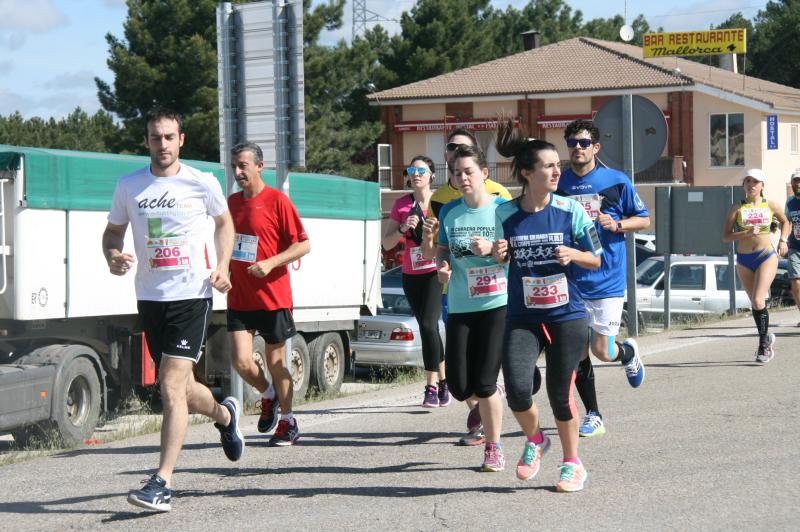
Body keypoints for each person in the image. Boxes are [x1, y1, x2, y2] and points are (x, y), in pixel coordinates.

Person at [103, 107, 241, 512]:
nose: (162, 144)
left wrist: (222, 266)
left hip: (191, 295)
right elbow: (112, 232)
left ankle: (161, 481)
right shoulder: (129, 186)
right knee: (182, 388)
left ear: (181, 139)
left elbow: (225, 224)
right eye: (155, 137)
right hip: (149, 296)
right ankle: (225, 415)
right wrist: (112, 255)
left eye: (169, 137)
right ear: (145, 141)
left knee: (168, 387)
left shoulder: (201, 182)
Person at [493, 118, 602, 493]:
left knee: (559, 393)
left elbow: (597, 258)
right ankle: (536, 439)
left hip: (566, 315)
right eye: (550, 165)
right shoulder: (505, 214)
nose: (559, 170)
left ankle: (573, 463)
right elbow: (499, 258)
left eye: (559, 164)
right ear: (527, 173)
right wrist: (497, 253)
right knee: (519, 389)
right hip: (523, 316)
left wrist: (575, 253)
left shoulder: (571, 211)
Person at [556, 119, 649, 438]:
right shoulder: (560, 183)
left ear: (595, 147)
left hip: (607, 278)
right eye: (571, 142)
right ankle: (594, 413)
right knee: (577, 351)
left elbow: (644, 219)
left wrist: (618, 225)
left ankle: (627, 353)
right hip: (571, 279)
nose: (577, 148)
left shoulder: (616, 180)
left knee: (602, 351)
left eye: (583, 143)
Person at [421, 144, 508, 472]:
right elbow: (440, 252)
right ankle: (492, 393)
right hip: (460, 303)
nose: (463, 178)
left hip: (497, 302)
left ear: (484, 173)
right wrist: (442, 267)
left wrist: (494, 250)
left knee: (483, 383)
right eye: (457, 173)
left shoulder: (503, 209)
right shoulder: (449, 212)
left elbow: (513, 252)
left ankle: (493, 446)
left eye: (469, 171)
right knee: (459, 386)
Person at [226, 142, 310, 446]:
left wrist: (270, 263)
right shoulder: (232, 203)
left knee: (276, 363)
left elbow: (303, 245)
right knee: (240, 360)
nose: (237, 172)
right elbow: (224, 242)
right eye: (234, 166)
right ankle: (268, 394)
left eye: (243, 166)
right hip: (239, 296)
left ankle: (288, 422)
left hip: (272, 296)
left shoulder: (277, 201)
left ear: (260, 166)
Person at [382, 156, 448, 407]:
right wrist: (401, 230)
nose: (416, 174)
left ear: (432, 175)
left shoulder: (441, 202)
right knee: (426, 328)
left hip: (434, 271)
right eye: (412, 170)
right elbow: (386, 243)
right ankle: (444, 382)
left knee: (430, 326)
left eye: (422, 170)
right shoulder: (401, 204)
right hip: (411, 275)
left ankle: (430, 387)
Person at [722, 168, 790, 362]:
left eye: (755, 182)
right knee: (755, 303)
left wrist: (783, 240)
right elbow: (725, 236)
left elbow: (785, 222)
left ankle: (763, 345)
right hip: (744, 260)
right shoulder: (737, 207)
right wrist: (746, 233)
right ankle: (766, 335)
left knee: (759, 301)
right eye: (748, 181)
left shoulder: (770, 205)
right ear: (743, 185)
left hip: (766, 256)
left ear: (762, 186)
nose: (751, 185)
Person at [785, 172, 800, 326]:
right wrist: (782, 240)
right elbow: (786, 222)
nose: (798, 184)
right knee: (795, 283)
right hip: (795, 246)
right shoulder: (789, 202)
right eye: (796, 181)